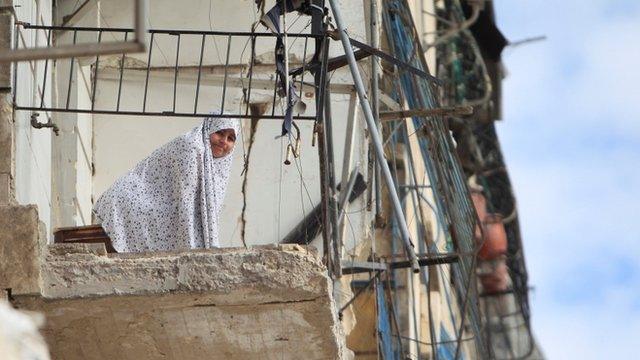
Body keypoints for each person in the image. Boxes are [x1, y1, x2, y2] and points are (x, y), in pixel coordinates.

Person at [93, 115, 240, 253]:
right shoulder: (192, 147)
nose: (224, 141)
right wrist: (195, 254)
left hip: (157, 206)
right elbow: (187, 203)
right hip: (127, 205)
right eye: (220, 133)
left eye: (231, 138)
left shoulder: (217, 166)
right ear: (208, 129)